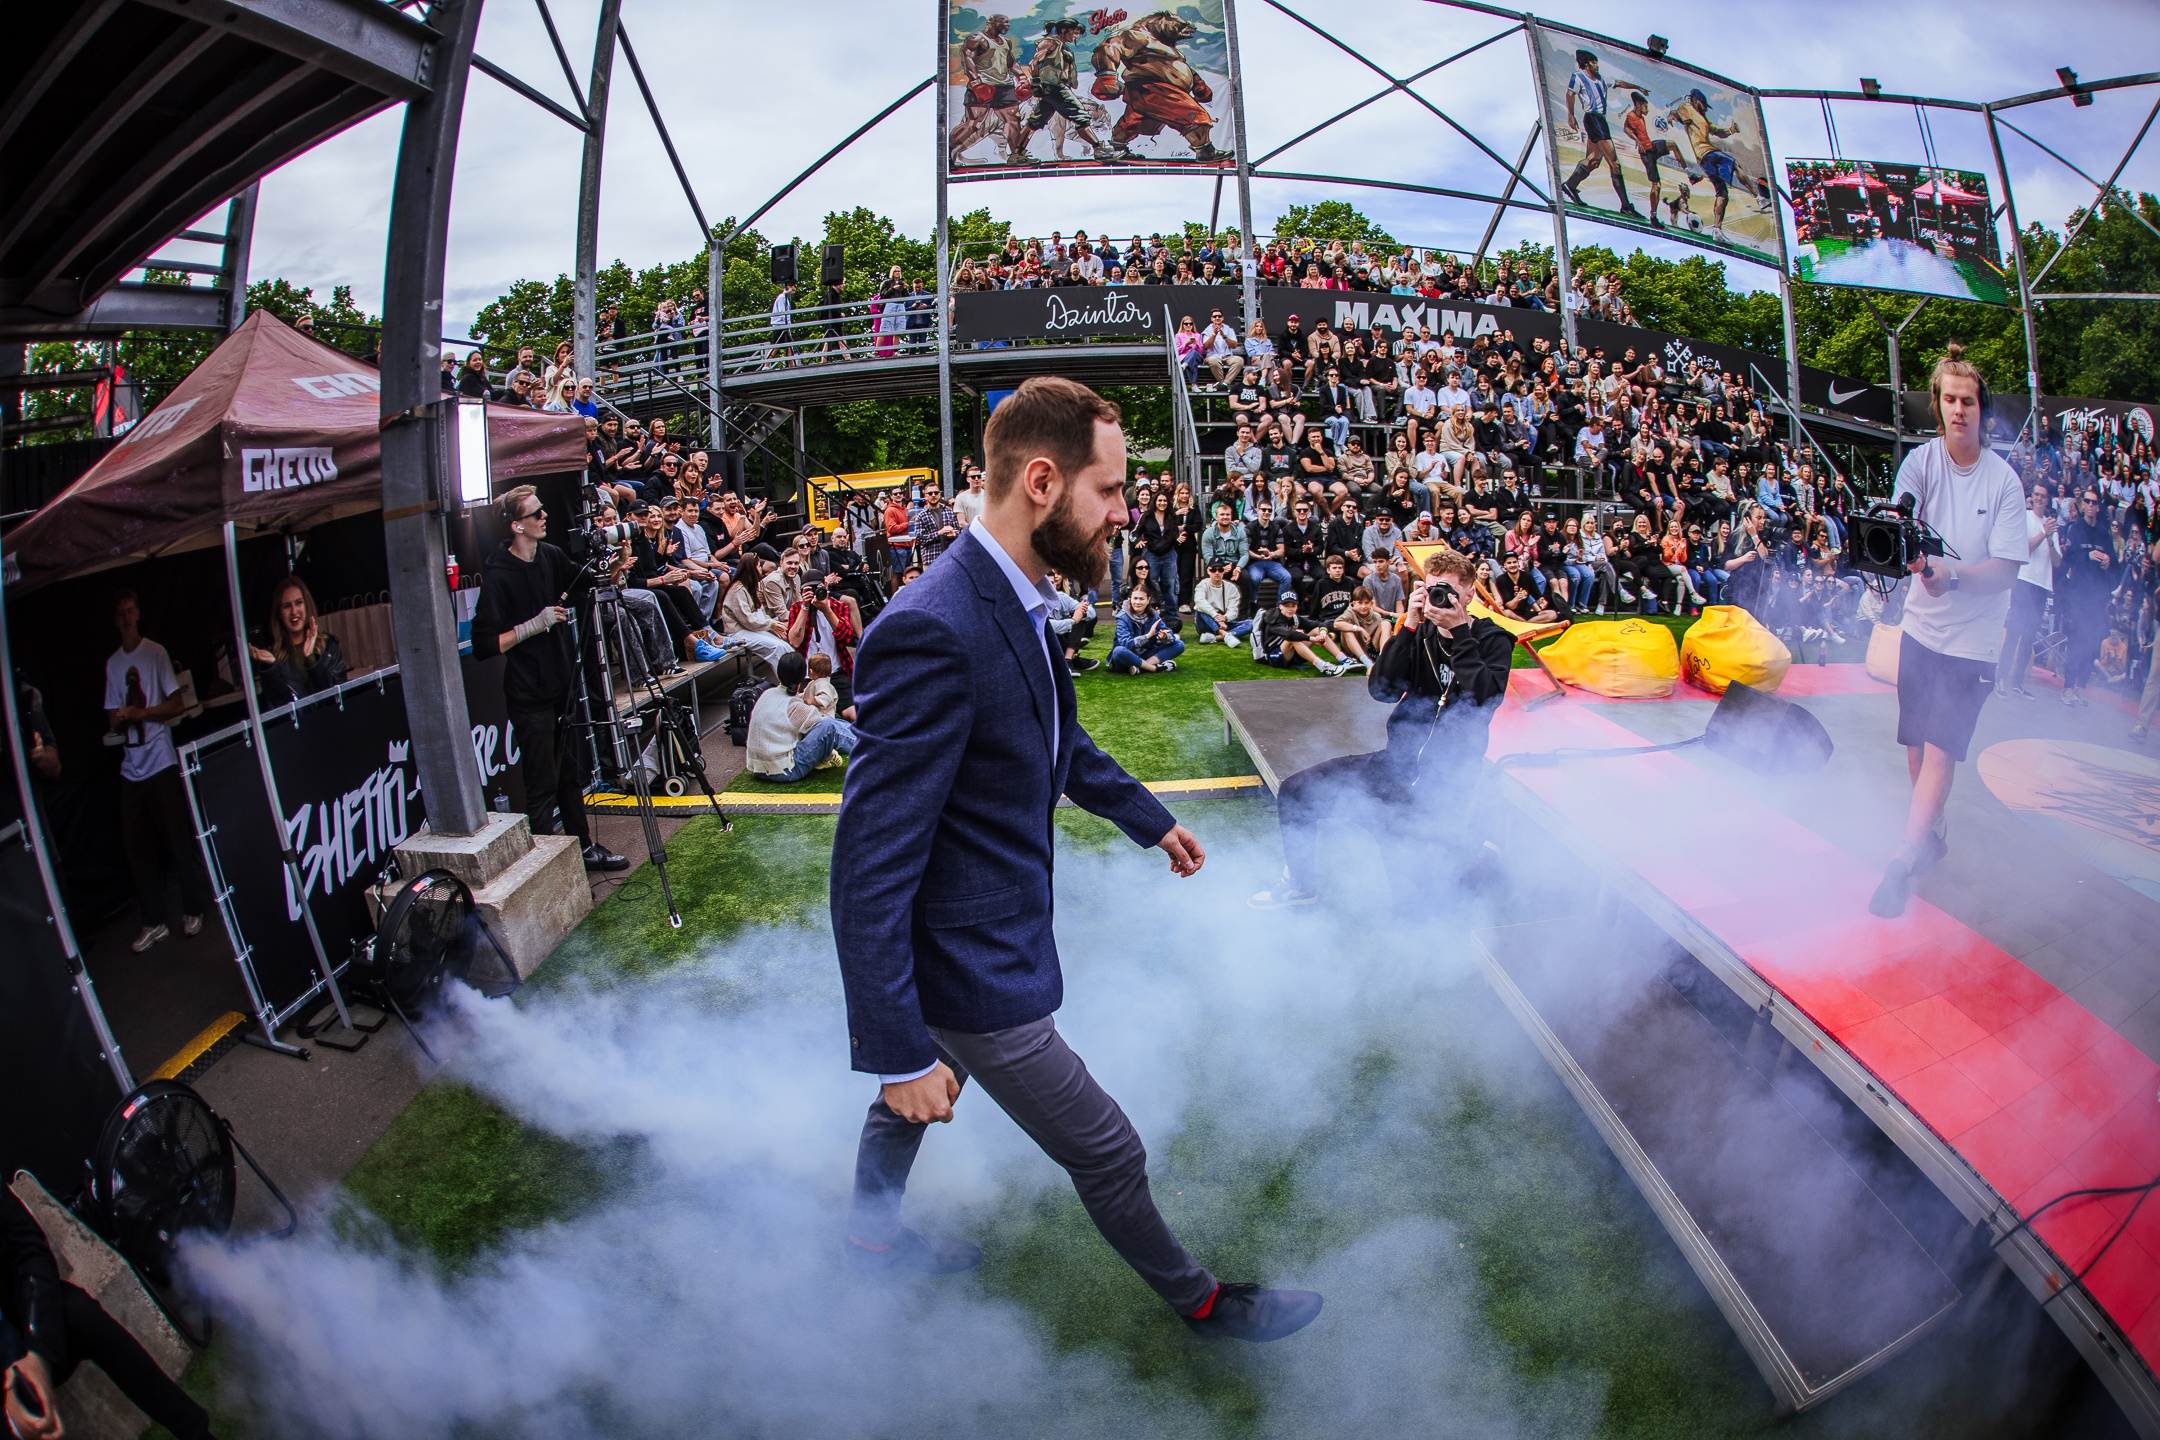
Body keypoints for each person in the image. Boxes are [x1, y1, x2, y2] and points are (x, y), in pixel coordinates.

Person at [833, 375, 1320, 1342]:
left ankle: (868, 1240)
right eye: (1111, 490)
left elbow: (1053, 736)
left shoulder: (1017, 591)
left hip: (979, 942)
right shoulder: (934, 624)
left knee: (914, 1109)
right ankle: (1204, 1305)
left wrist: (1148, 819)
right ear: (1043, 483)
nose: (1125, 514)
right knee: (1106, 1148)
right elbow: (868, 865)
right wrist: (894, 1052)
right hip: (971, 967)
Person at [1252, 549, 1514, 907]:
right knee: (1295, 792)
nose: (1439, 600)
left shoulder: (1491, 639)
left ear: (1469, 594)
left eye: (1448, 592)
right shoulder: (1421, 634)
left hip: (1443, 786)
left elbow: (1485, 699)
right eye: (1432, 590)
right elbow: (1382, 690)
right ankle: (1300, 886)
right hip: (1392, 766)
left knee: (1415, 905)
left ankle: (1478, 861)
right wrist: (1408, 628)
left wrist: (1458, 632)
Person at [1870, 349, 2029, 918]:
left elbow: (2007, 570)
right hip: (1921, 630)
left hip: (1974, 643)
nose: (1959, 410)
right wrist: (1907, 552)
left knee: (1940, 751)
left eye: (1968, 401)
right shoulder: (1920, 463)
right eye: (1949, 400)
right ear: (1937, 406)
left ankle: (1903, 857)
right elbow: (1901, 517)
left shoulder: (2004, 483)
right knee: (1916, 747)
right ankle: (1931, 831)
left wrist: (1953, 576)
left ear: (1983, 409)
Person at [469, 487, 627, 872]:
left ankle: (583, 848)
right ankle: (545, 867)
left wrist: (614, 560)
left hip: (562, 689)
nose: (544, 517)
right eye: (536, 513)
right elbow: (483, 644)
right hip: (529, 696)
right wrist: (531, 626)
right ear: (516, 525)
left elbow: (587, 583)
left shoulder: (550, 555)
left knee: (570, 776)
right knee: (542, 785)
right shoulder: (499, 574)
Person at [3, 1188, 217, 1440]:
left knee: (76, 1309)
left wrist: (38, 1353)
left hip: (21, 1332)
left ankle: (196, 1434)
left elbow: (29, 1248)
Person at [104, 591, 209, 952]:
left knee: (177, 839)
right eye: (121, 613)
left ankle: (193, 909)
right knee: (137, 849)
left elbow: (176, 703)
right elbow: (111, 715)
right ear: (116, 619)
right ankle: (154, 921)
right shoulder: (113, 665)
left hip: (160, 759)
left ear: (138, 613)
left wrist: (142, 714)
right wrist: (121, 718)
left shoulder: (155, 653)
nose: (126, 618)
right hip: (131, 765)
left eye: (130, 611)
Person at [746, 651, 857, 783]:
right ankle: (873, 746)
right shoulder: (793, 705)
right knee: (829, 726)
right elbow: (827, 727)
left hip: (758, 769)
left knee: (830, 724)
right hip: (784, 771)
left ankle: (869, 738)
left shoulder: (767, 693)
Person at [1996, 480, 2059, 699]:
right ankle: (2001, 678)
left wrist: (2050, 540)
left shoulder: (2051, 526)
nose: (2039, 498)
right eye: (2037, 494)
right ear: (2032, 496)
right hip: (2024, 581)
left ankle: (2018, 683)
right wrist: (2043, 533)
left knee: (2029, 636)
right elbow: (2023, 548)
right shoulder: (2025, 518)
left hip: (2041, 585)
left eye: (2043, 495)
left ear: (2048, 499)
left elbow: (2057, 561)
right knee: (2014, 631)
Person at [2056, 487, 2117, 707]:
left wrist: (2108, 562)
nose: (2091, 505)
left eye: (2094, 502)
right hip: (2078, 598)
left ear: (2098, 507)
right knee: (2076, 643)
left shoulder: (2103, 533)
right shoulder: (2075, 529)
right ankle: (2067, 688)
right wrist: (2087, 555)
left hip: (2097, 599)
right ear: (2082, 505)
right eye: (2088, 502)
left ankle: (2081, 687)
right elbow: (2067, 560)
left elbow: (2115, 565)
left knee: (2092, 645)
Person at [246, 574, 348, 705]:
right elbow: (279, 706)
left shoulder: (328, 646)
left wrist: (312, 660)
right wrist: (272, 669)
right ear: (279, 614)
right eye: (286, 606)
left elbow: (339, 698)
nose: (294, 611)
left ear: (307, 606)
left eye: (299, 602)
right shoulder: (273, 658)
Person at [1254, 589, 1352, 675]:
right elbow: (1290, 634)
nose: (1290, 609)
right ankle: (1323, 666)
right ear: (1280, 606)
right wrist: (1312, 639)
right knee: (1293, 639)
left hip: (1292, 654)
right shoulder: (1273, 619)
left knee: (1317, 630)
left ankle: (1343, 659)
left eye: (1293, 606)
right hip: (1275, 657)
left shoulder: (1294, 617)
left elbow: (1318, 624)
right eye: (1286, 606)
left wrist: (1322, 633)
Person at [1109, 586, 1185, 674]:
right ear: (1130, 599)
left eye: (1141, 599)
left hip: (1146, 654)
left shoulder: (1154, 614)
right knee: (1118, 651)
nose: (1137, 602)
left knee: (1179, 644)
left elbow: (1168, 633)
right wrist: (1148, 636)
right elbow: (1125, 643)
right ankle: (1154, 668)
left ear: (1148, 600)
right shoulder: (1122, 617)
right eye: (1135, 598)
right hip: (1126, 658)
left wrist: (1165, 637)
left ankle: (1141, 667)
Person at [1193, 556, 1253, 644]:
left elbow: (1233, 611)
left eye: (1220, 570)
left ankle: (1216, 638)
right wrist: (1215, 616)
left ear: (1224, 571)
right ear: (1208, 571)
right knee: (1200, 608)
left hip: (1224, 622)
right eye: (1213, 570)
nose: (1217, 573)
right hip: (1205, 623)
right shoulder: (1202, 585)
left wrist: (1224, 618)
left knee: (1251, 623)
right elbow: (1199, 602)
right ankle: (1224, 634)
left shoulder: (1231, 588)